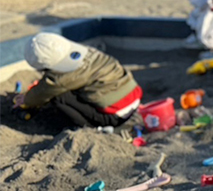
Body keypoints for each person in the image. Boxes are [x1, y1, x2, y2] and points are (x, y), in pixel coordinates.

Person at [14, 33, 142, 128]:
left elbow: (41, 93)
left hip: (115, 117)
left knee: (59, 97)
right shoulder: (87, 52)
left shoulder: (59, 78)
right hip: (134, 99)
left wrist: (25, 100)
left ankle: (90, 128)